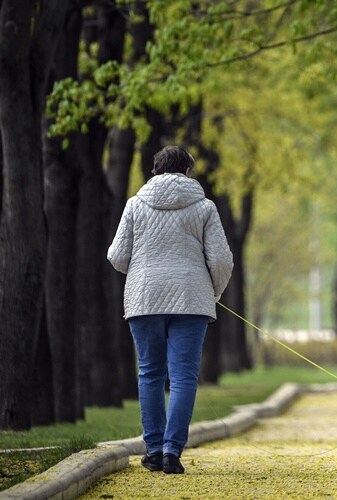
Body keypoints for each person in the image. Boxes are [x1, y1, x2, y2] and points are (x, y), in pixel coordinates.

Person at [107, 145, 233, 474]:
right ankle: (172, 451)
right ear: (188, 171)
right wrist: (214, 292)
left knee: (150, 374)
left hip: (144, 298)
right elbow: (221, 259)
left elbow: (117, 256)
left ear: (154, 170)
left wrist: (143, 268)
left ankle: (153, 448)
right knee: (183, 377)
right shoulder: (204, 207)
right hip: (191, 299)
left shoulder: (135, 205)